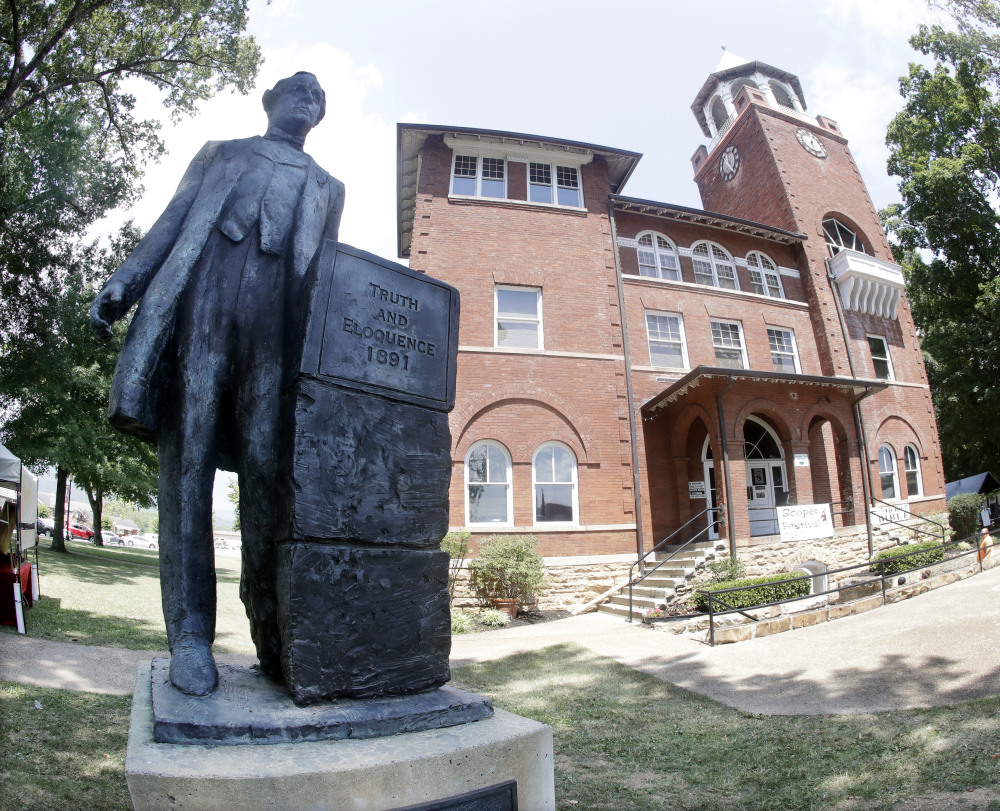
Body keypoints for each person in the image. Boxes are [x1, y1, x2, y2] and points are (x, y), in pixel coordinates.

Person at [90, 72, 345, 696]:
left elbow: (326, 283)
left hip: (272, 338)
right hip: (202, 312)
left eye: (317, 99)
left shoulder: (327, 188)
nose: (306, 104)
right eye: (297, 93)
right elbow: (171, 224)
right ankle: (189, 635)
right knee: (188, 468)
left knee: (266, 478)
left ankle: (272, 634)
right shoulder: (220, 154)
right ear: (270, 101)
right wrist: (123, 284)